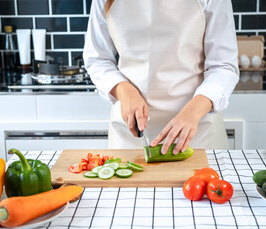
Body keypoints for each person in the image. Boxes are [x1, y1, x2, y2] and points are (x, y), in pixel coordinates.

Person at [83, 0, 239, 154]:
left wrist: (194, 111)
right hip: (130, 129)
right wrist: (123, 90)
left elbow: (223, 66)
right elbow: (97, 59)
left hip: (197, 128)